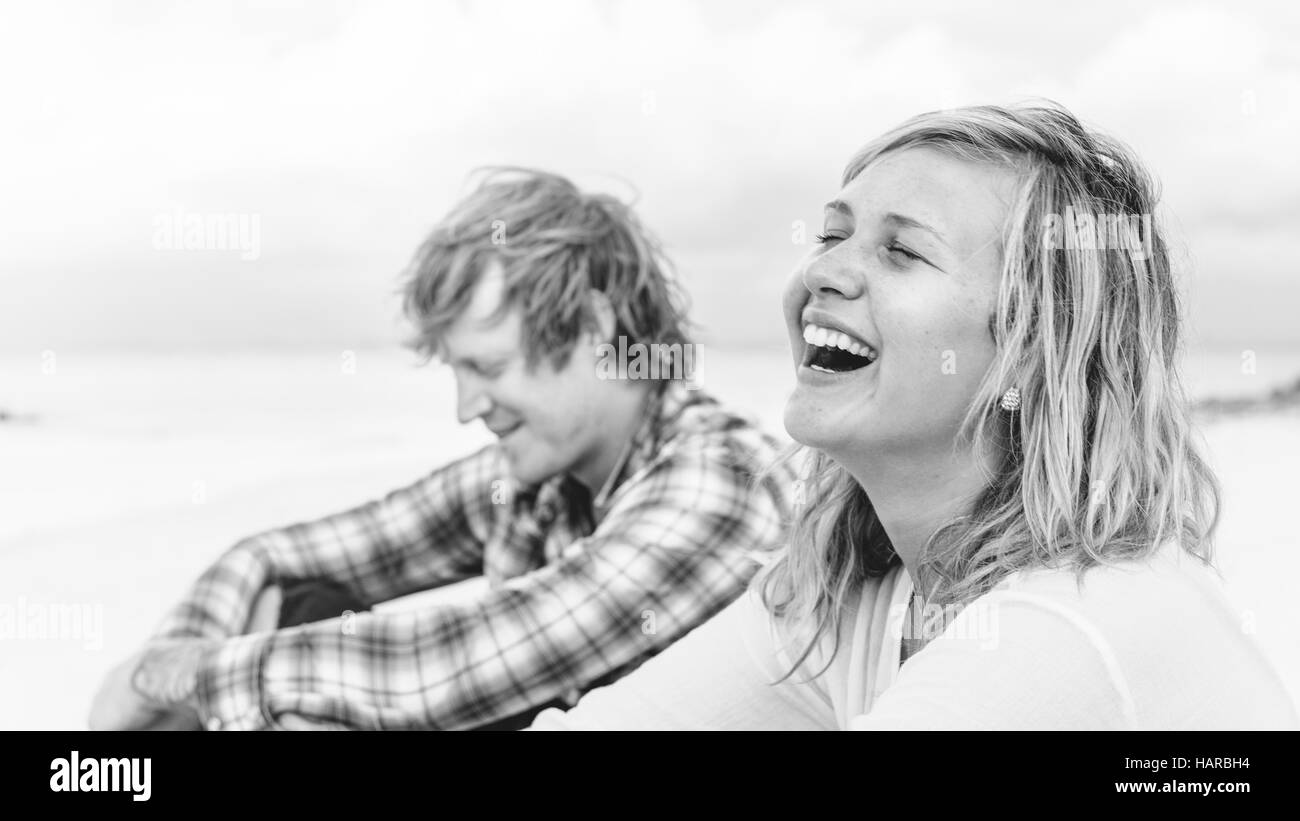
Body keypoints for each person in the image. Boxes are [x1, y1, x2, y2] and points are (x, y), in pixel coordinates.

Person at [528, 104, 1300, 730]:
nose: (823, 271)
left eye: (902, 253)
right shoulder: (852, 593)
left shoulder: (1067, 624)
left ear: (1033, 356)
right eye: (833, 235)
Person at [88, 168, 795, 731]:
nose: (465, 409)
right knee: (302, 604)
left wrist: (182, 677)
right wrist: (158, 679)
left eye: (487, 368)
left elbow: (460, 663)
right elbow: (267, 554)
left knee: (309, 696)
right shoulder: (541, 479)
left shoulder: (720, 482)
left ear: (593, 328)